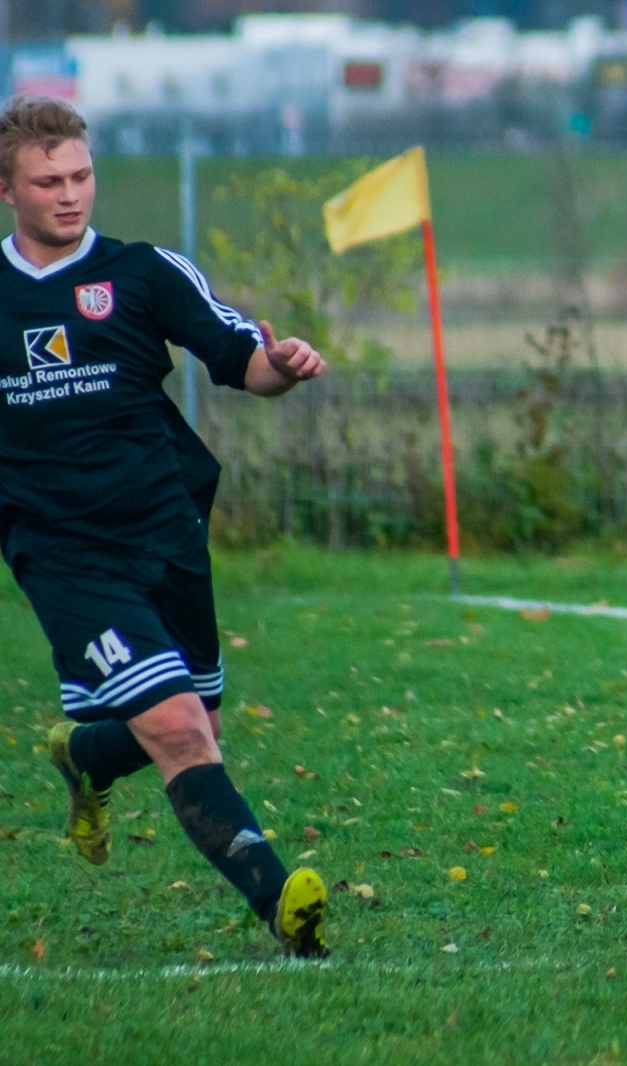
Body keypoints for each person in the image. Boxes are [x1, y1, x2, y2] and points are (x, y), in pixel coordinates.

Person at [0, 97, 331, 957]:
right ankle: (281, 902)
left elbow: (239, 359)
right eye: (47, 182)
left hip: (166, 532)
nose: (70, 195)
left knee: (199, 726)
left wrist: (282, 364)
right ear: (8, 189)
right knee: (181, 730)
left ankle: (88, 756)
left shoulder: (145, 272)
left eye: (80, 175)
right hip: (64, 554)